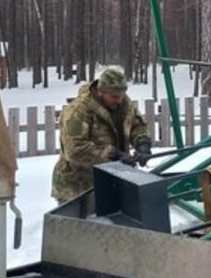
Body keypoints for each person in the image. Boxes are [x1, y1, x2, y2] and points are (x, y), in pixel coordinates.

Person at [51, 68, 152, 203]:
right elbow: (75, 149)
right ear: (101, 92)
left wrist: (142, 143)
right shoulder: (79, 110)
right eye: (115, 97)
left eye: (122, 95)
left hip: (111, 181)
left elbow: (137, 125)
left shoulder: (124, 104)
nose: (120, 101)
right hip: (78, 188)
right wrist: (114, 155)